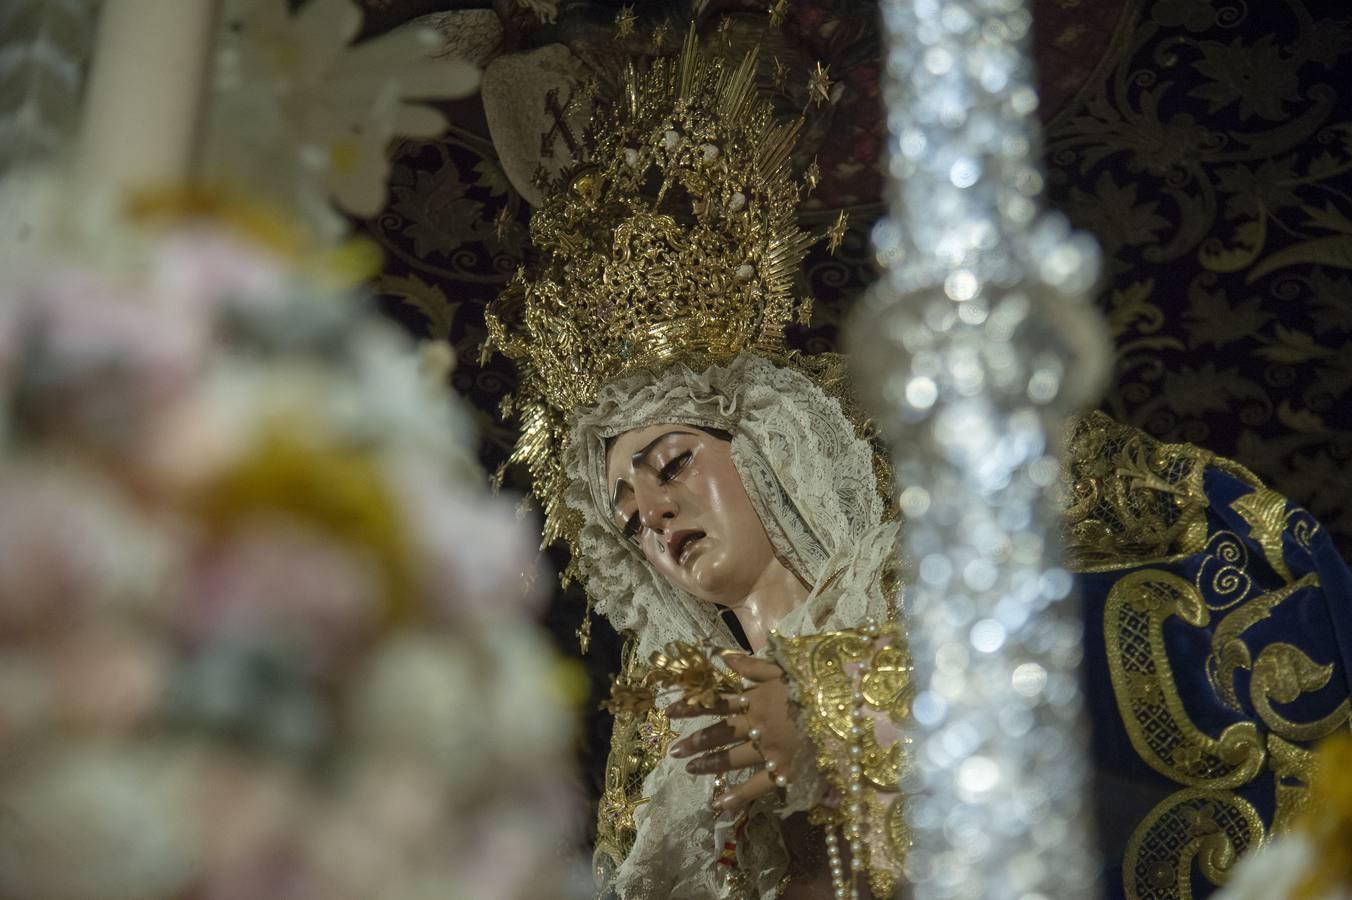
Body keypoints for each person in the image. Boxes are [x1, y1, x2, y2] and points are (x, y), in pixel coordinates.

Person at [480, 29, 1352, 900]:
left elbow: (1153, 632)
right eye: (627, 519)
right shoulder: (674, 759)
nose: (655, 515)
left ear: (763, 444)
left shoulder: (923, 573)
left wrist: (836, 718)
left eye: (670, 464)